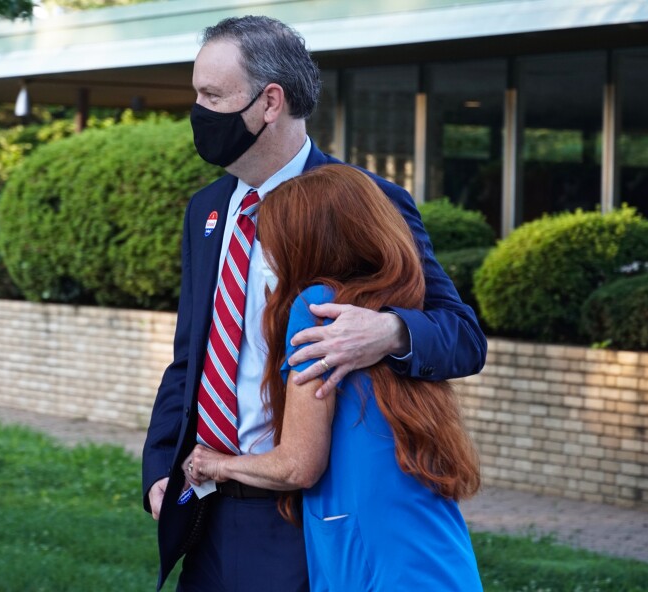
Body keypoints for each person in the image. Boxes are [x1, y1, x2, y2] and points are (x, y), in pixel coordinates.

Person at [142, 15, 487, 591]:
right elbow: (190, 356)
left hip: (299, 517)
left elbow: (462, 336)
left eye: (211, 96)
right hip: (204, 507)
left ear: (269, 101)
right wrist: (159, 469)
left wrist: (389, 332)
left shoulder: (365, 201)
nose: (197, 111)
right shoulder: (206, 208)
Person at [185, 163, 483, 591]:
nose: (266, 249)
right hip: (432, 550)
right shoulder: (394, 303)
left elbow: (298, 466)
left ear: (305, 242)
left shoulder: (317, 307)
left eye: (273, 236)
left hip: (368, 556)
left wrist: (215, 463)